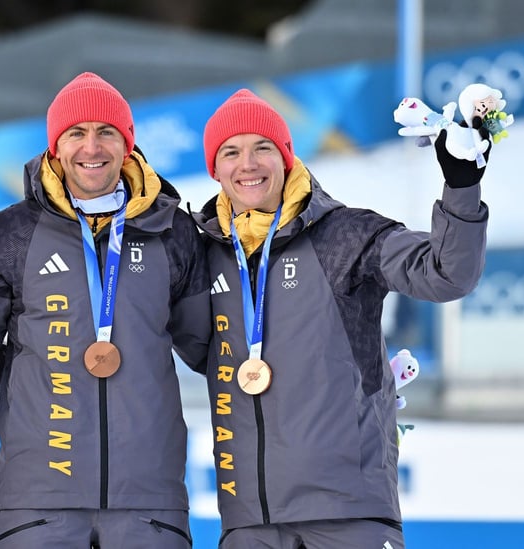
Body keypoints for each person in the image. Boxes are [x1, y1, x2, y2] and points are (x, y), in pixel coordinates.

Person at [192, 89, 490, 548]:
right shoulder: (203, 253)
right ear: (215, 168)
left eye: (262, 148)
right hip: (249, 519)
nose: (247, 164)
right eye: (231, 152)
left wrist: (462, 187)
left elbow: (446, 274)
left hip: (349, 514)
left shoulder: (347, 235)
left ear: (287, 157)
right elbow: (187, 342)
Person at [0, 72, 210, 548]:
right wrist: (36, 375)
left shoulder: (171, 230)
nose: (92, 147)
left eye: (106, 132)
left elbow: (209, 348)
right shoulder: (12, 232)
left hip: (148, 499)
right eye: (76, 133)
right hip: (37, 499)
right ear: (55, 146)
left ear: (127, 145)